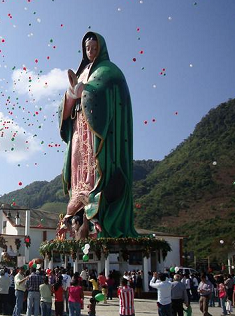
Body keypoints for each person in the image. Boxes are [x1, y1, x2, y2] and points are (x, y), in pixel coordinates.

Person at [58, 31, 137, 238]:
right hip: (78, 130)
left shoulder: (109, 70)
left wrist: (86, 90)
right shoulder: (81, 71)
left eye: (94, 48)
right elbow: (66, 107)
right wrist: (71, 95)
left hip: (98, 135)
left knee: (96, 169)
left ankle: (95, 216)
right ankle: (77, 216)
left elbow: (106, 92)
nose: (90, 52)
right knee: (78, 169)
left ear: (101, 48)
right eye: (87, 48)